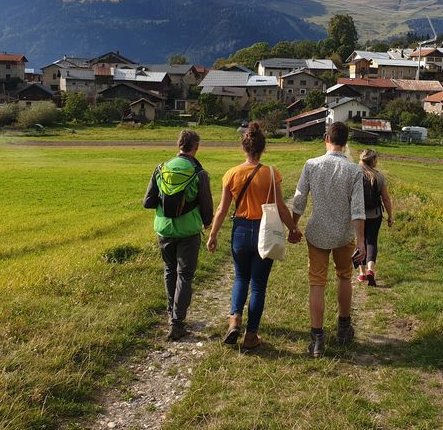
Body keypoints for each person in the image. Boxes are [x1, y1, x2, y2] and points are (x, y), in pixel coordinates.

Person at [207, 122, 300, 351]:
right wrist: (293, 229)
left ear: (244, 148)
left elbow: (222, 209)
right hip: (264, 231)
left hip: (240, 230)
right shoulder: (271, 173)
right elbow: (279, 206)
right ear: (263, 148)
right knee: (258, 284)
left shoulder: (232, 174)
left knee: (240, 278)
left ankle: (234, 320)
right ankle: (251, 335)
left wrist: (213, 234)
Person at [291, 122, 366, 358]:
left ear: (326, 138)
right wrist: (362, 241)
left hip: (318, 232)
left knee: (317, 282)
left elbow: (300, 198)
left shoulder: (311, 165)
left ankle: (317, 339)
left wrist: (293, 225)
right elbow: (358, 209)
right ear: (345, 143)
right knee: (344, 276)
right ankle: (344, 327)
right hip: (344, 234)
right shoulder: (354, 170)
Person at [143, 129, 213, 341]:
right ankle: (177, 321)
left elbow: (147, 202)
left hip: (164, 229)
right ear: (196, 147)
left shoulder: (161, 169)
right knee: (185, 275)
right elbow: (207, 207)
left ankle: (169, 313)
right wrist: (208, 223)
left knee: (169, 270)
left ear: (178, 145)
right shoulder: (199, 173)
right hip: (189, 231)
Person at [356, 149, 394, 287]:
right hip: (375, 214)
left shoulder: (354, 174)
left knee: (359, 241)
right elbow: (386, 199)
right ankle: (371, 270)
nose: (377, 161)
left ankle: (361, 272)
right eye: (376, 159)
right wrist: (390, 216)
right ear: (372, 160)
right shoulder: (379, 177)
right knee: (371, 241)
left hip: (357, 215)